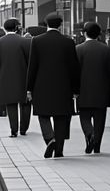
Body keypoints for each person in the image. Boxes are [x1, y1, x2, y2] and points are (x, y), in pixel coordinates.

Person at [27, 14, 79, 158]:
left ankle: (50, 138)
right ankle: (59, 151)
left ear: (46, 23)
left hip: (41, 85)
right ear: (60, 25)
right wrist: (76, 89)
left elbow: (33, 66)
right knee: (61, 117)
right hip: (64, 85)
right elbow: (74, 67)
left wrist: (29, 88)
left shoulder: (37, 41)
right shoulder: (68, 42)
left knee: (43, 114)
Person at [75, 21, 110, 154]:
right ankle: (97, 145)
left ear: (84, 33)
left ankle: (89, 134)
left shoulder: (78, 49)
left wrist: (73, 89)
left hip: (83, 90)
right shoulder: (106, 50)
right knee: (100, 119)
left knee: (84, 117)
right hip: (102, 90)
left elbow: (75, 71)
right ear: (99, 34)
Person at [0, 19, 33, 137]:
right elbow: (30, 61)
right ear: (16, 28)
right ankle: (24, 128)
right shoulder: (25, 41)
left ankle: (13, 130)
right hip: (23, 77)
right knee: (25, 103)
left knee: (11, 104)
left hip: (6, 78)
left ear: (5, 28)